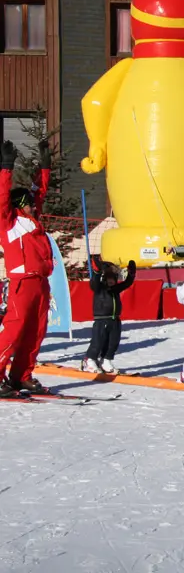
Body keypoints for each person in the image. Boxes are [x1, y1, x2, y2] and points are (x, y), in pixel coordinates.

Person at [0, 139, 53, 398]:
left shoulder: (32, 220)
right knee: (14, 330)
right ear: (20, 205)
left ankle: (21, 375)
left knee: (36, 331)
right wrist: (6, 167)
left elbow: (39, 191)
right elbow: (2, 198)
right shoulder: (9, 222)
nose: (35, 205)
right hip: (22, 283)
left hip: (41, 283)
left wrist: (44, 167)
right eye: (30, 203)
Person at [82, 256, 136, 373]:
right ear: (103, 279)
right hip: (101, 320)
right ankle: (89, 360)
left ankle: (106, 360)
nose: (111, 281)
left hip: (115, 320)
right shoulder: (99, 288)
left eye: (113, 279)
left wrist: (131, 274)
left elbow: (127, 283)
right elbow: (94, 282)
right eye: (108, 279)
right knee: (98, 341)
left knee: (113, 343)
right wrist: (97, 271)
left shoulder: (115, 289)